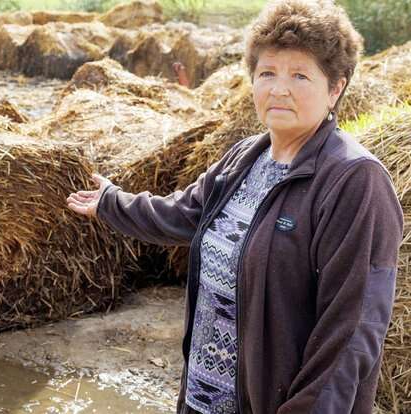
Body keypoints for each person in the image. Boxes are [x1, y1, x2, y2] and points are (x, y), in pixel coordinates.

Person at [66, 1, 403, 413]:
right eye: (267, 73)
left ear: (335, 88)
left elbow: (351, 333)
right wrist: (111, 203)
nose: (279, 88)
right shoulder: (247, 157)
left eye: (299, 75)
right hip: (205, 397)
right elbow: (184, 214)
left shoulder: (354, 181)